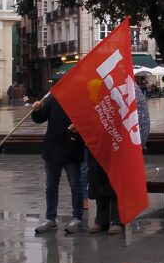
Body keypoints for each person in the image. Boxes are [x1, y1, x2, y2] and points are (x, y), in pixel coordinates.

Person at [88, 88, 150, 235]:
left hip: (118, 145)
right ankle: (101, 220)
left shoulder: (129, 89)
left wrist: (135, 145)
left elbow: (140, 119)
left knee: (116, 185)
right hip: (99, 145)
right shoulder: (98, 87)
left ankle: (117, 220)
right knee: (98, 182)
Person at [31, 96, 85, 234]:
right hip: (53, 149)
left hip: (72, 148)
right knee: (50, 186)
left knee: (75, 186)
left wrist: (79, 127)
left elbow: (88, 121)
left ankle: (77, 217)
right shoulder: (54, 98)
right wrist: (36, 110)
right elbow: (40, 118)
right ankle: (50, 218)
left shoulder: (81, 99)